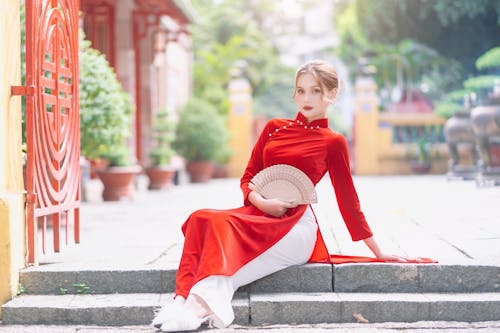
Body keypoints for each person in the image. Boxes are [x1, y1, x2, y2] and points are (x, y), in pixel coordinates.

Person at [152, 59, 433, 332]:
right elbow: (248, 178)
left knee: (224, 246)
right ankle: (186, 305)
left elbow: (347, 200)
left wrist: (378, 251)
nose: (306, 98)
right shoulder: (274, 127)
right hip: (261, 213)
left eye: (316, 90)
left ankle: (187, 309)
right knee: (202, 218)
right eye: (301, 90)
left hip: (296, 227)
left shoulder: (333, 141)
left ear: (332, 94)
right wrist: (262, 202)